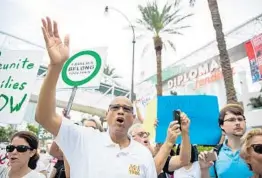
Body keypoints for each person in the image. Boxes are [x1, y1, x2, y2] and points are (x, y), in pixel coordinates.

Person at [35, 17, 157, 178]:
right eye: (115, 107)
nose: (120, 111)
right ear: (106, 115)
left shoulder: (144, 155)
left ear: (133, 118)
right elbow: (44, 117)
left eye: (126, 109)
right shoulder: (83, 138)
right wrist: (55, 67)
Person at [198, 104, 253, 178]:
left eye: (240, 119)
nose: (237, 123)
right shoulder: (213, 153)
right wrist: (204, 169)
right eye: (231, 120)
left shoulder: (257, 148)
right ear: (221, 125)